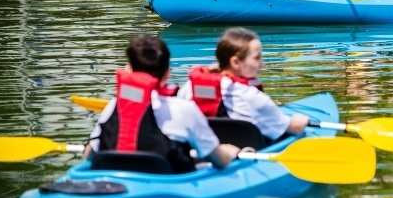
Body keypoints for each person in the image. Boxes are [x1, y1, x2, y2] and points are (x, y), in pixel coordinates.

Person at [85, 33, 239, 172]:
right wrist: (230, 153)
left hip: (118, 181)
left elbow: (89, 155)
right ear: (167, 73)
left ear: (129, 71)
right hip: (169, 186)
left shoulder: (115, 105)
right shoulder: (184, 109)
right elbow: (219, 161)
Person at [178, 27, 310, 143]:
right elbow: (295, 128)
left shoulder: (190, 87)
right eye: (257, 58)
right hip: (246, 152)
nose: (262, 64)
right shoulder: (253, 97)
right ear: (235, 62)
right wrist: (301, 120)